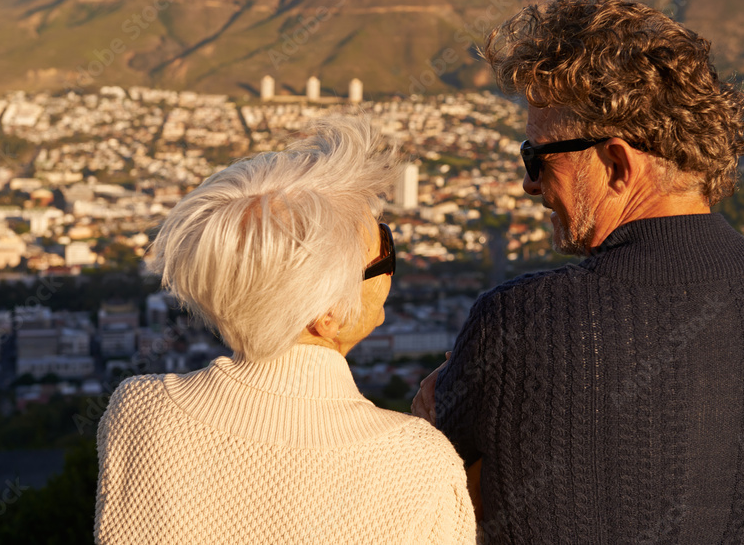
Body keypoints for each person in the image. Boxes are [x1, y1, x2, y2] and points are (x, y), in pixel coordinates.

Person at [413, 0, 744, 544]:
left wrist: (429, 428)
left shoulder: (521, 320)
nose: (528, 183)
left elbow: (427, 492)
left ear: (617, 162)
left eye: (537, 156)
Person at [95, 116, 477, 544]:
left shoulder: (140, 412)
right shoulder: (420, 464)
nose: (391, 270)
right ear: (327, 313)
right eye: (383, 253)